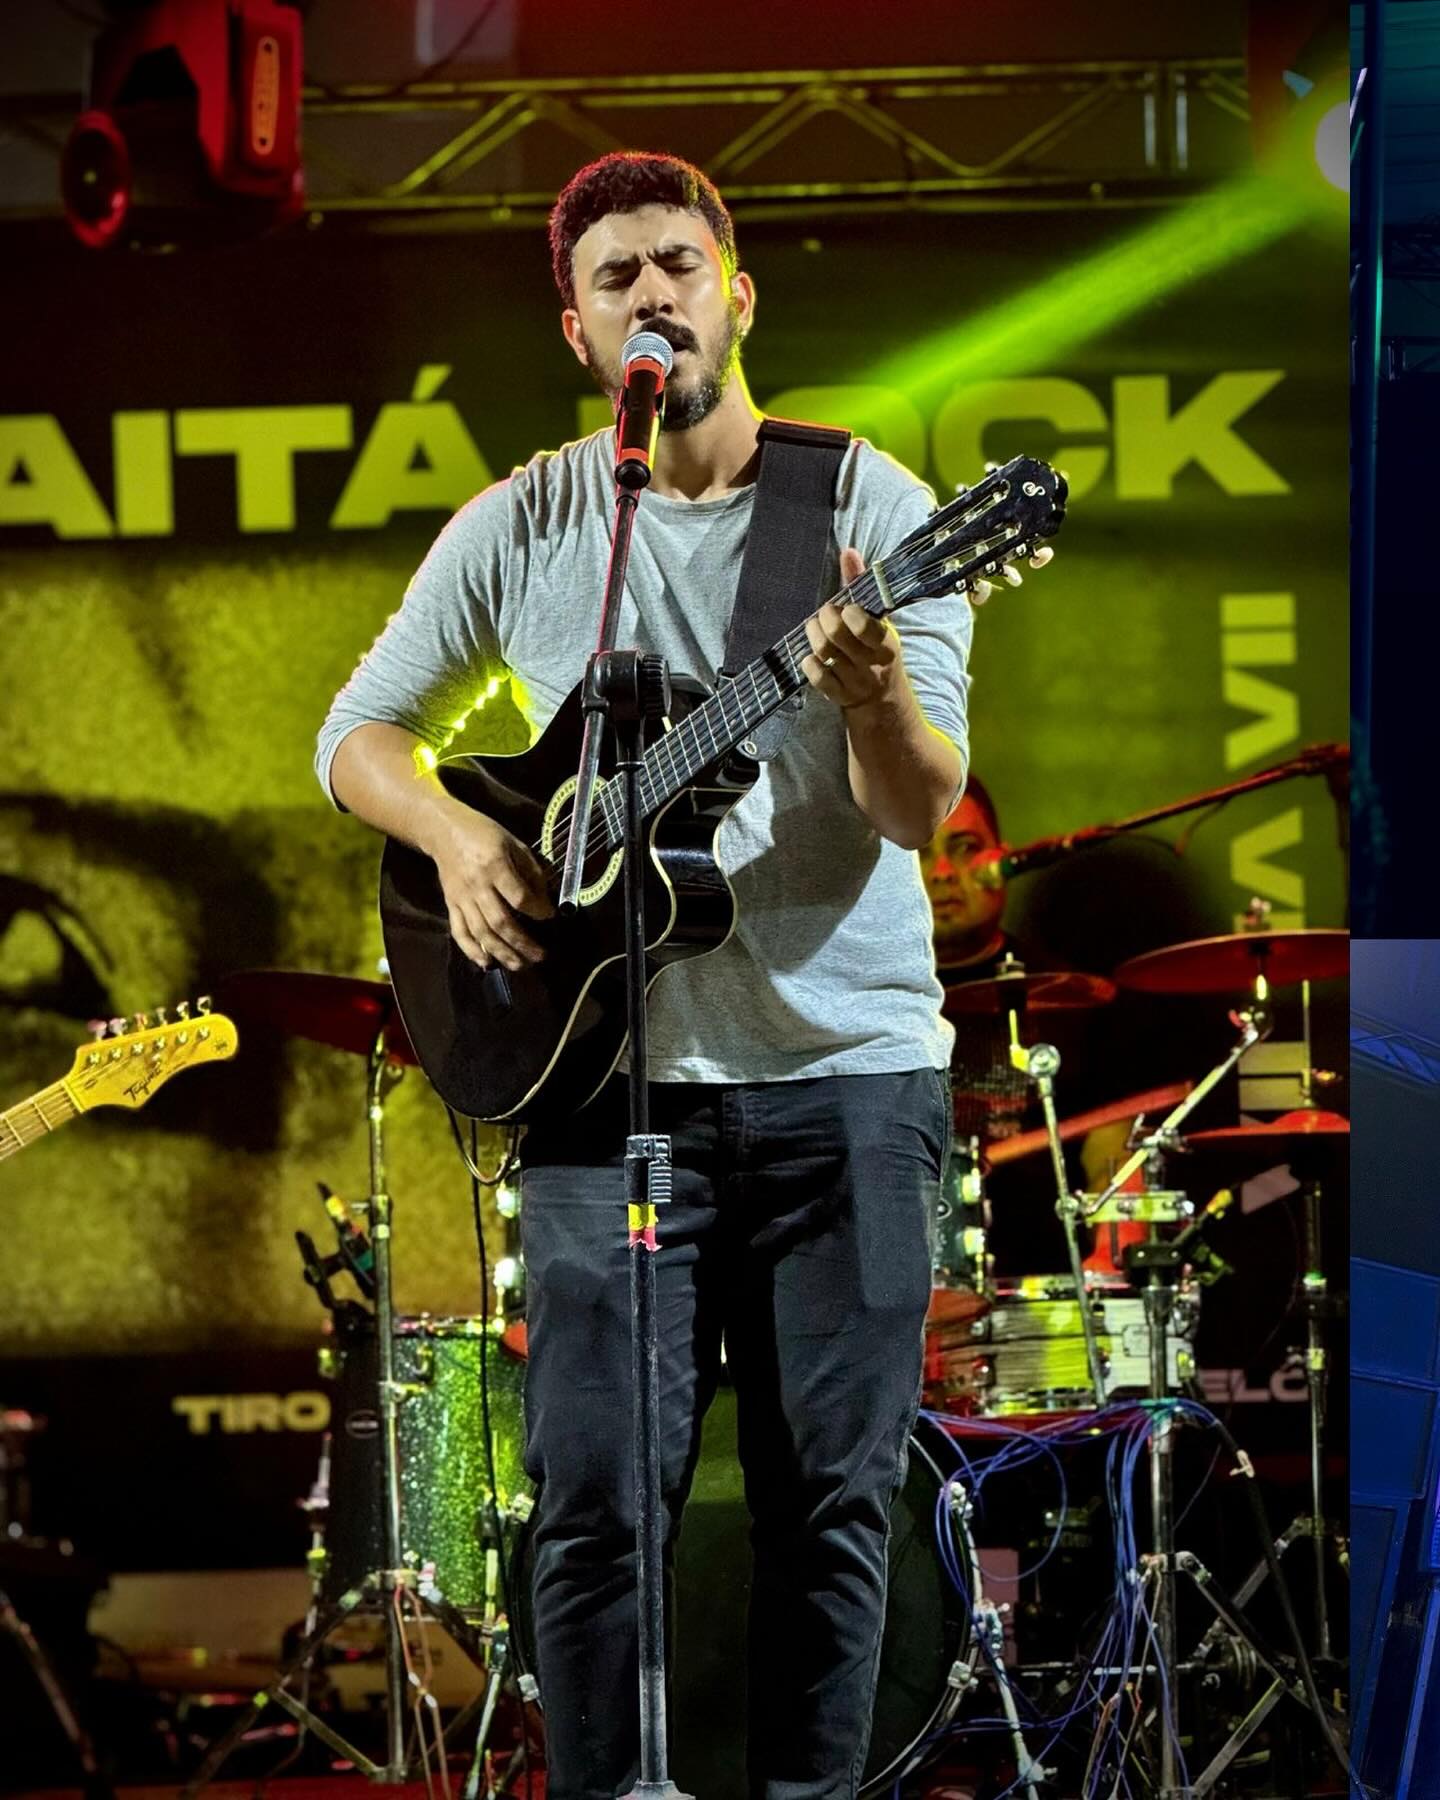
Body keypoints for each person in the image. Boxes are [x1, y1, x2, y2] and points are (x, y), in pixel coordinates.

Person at [315, 151, 1048, 1800]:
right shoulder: (531, 520)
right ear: (581, 333)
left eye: (679, 265)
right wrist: (459, 837)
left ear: (738, 294)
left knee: (833, 1510)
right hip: (605, 1095)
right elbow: (355, 739)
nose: (654, 293)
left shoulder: (870, 513)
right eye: (617, 278)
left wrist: (869, 692)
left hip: (847, 1085)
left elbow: (919, 808)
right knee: (593, 1510)